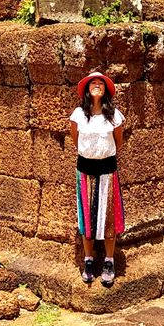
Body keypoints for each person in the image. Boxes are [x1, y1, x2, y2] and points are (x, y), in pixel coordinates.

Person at [68, 71, 125, 287]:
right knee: (88, 218)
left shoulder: (114, 116)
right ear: (87, 89)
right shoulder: (78, 115)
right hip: (85, 170)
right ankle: (89, 260)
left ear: (106, 90)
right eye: (93, 83)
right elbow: (76, 140)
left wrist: (102, 156)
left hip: (107, 170)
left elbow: (118, 142)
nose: (97, 85)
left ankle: (109, 261)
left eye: (101, 83)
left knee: (108, 216)